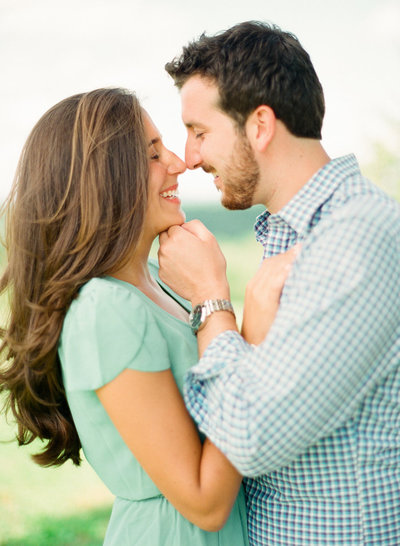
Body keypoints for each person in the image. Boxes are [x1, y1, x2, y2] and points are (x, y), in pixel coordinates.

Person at [0, 87, 295, 545]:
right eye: (153, 153)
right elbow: (205, 500)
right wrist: (230, 309)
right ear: (106, 177)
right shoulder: (105, 309)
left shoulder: (158, 280)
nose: (178, 162)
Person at [158, 21, 400, 546]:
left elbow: (248, 435)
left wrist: (210, 298)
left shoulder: (352, 238)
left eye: (200, 132)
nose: (191, 157)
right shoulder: (294, 235)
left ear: (260, 125)